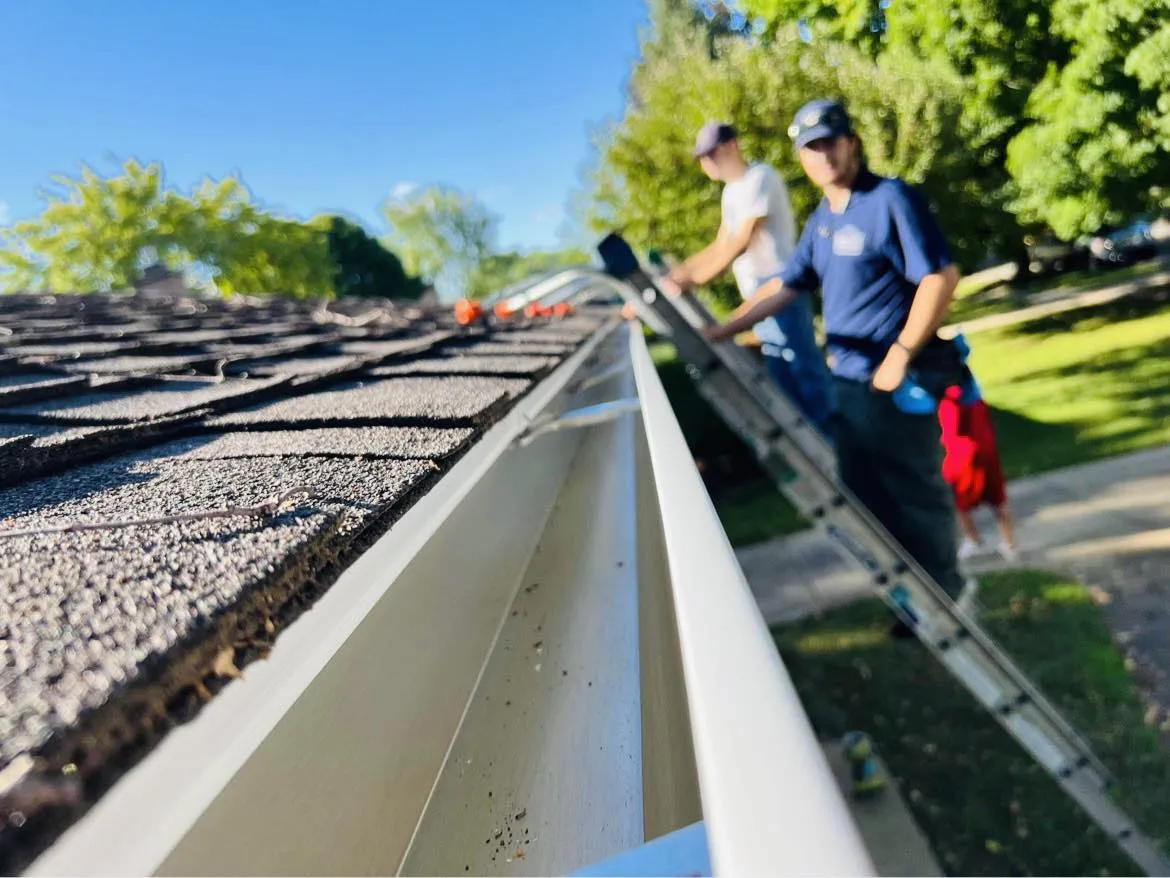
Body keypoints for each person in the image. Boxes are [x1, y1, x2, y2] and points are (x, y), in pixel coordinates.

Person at [700, 98, 974, 621]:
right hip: (847, 385)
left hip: (896, 385)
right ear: (801, 158)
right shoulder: (823, 220)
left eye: (829, 141)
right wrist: (725, 328)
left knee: (916, 493)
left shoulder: (889, 198)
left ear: (852, 142)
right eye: (810, 147)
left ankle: (950, 601)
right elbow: (786, 282)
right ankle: (914, 604)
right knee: (867, 498)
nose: (821, 155)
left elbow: (940, 276)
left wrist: (899, 354)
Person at [659, 122, 835, 437]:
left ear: (731, 147)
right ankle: (817, 445)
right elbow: (721, 243)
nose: (705, 164)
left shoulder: (760, 178)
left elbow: (742, 240)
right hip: (757, 294)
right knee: (785, 381)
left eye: (709, 155)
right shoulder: (731, 192)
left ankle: (840, 451)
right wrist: (680, 274)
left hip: (781, 287)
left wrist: (694, 281)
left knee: (807, 378)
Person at [938, 374, 1018, 561]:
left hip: (962, 453)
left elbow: (953, 430)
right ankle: (1009, 541)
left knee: (957, 499)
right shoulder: (973, 392)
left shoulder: (950, 398)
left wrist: (941, 439)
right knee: (998, 498)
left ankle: (972, 538)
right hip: (987, 449)